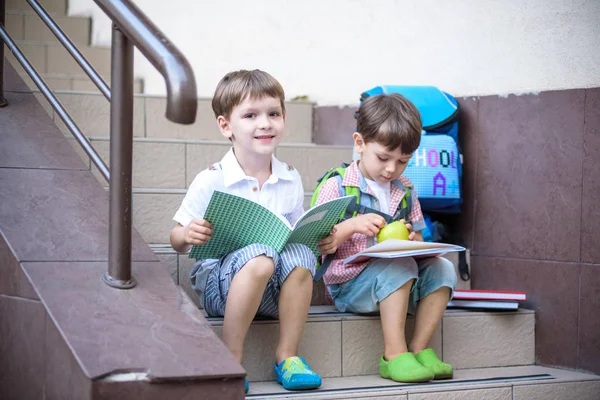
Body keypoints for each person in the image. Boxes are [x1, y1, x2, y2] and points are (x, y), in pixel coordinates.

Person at [170, 70, 322, 393]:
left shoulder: (290, 178)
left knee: (301, 254)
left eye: (273, 114)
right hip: (220, 290)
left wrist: (318, 235)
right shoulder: (212, 179)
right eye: (251, 115)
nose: (265, 123)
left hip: (270, 291)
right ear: (226, 126)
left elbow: (295, 230)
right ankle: (230, 358)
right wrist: (187, 235)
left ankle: (288, 356)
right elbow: (175, 239)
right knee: (261, 255)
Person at [315, 93, 457, 383]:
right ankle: (394, 355)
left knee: (443, 268)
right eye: (383, 158)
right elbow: (318, 244)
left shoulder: (404, 189)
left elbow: (417, 239)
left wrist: (412, 240)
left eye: (403, 161)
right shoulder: (338, 186)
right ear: (360, 143)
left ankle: (419, 348)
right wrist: (351, 225)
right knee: (399, 266)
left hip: (398, 278)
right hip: (349, 285)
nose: (391, 169)